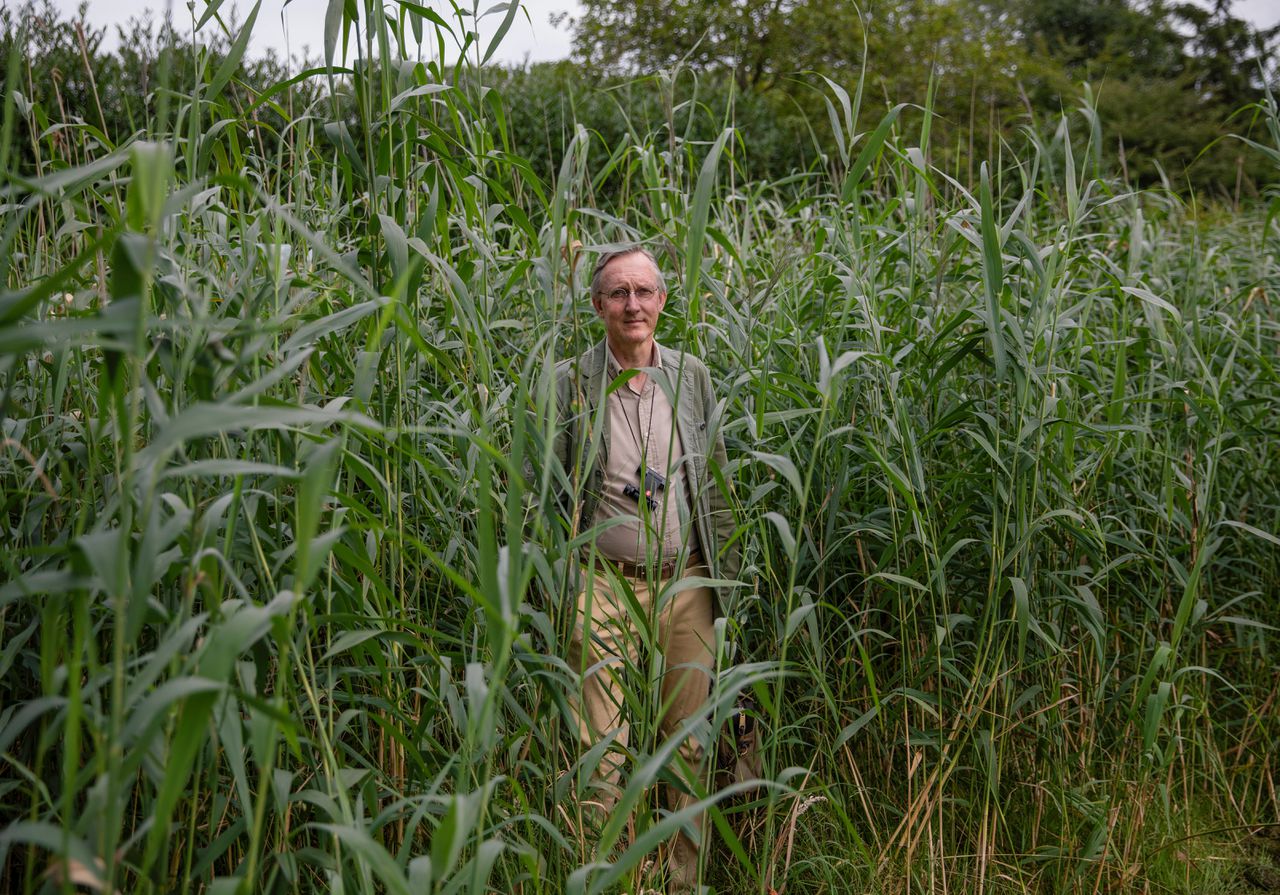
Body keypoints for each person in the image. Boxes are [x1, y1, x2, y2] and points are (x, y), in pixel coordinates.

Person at [549, 246, 740, 891]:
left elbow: (713, 484)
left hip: (686, 582)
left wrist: (726, 584)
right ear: (598, 306)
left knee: (688, 746)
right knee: (598, 749)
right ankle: (601, 879)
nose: (633, 305)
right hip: (601, 584)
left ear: (662, 300)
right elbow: (545, 487)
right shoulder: (568, 381)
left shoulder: (692, 377)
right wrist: (561, 580)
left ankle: (682, 883)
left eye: (644, 292)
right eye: (619, 293)